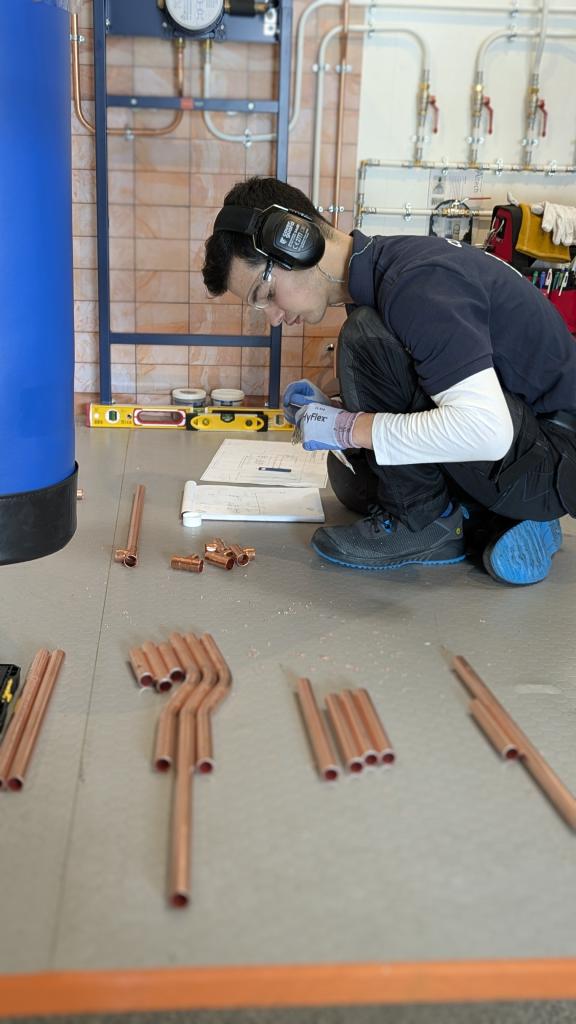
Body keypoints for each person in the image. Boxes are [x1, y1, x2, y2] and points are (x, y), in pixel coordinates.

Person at [202, 175, 576, 585]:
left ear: (297, 243)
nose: (273, 317)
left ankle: (429, 525)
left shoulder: (415, 284)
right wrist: (335, 414)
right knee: (352, 482)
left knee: (364, 339)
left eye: (265, 294)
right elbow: (430, 394)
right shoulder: (379, 276)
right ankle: (497, 519)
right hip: (524, 442)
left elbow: (486, 431)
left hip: (551, 459)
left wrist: (349, 429)